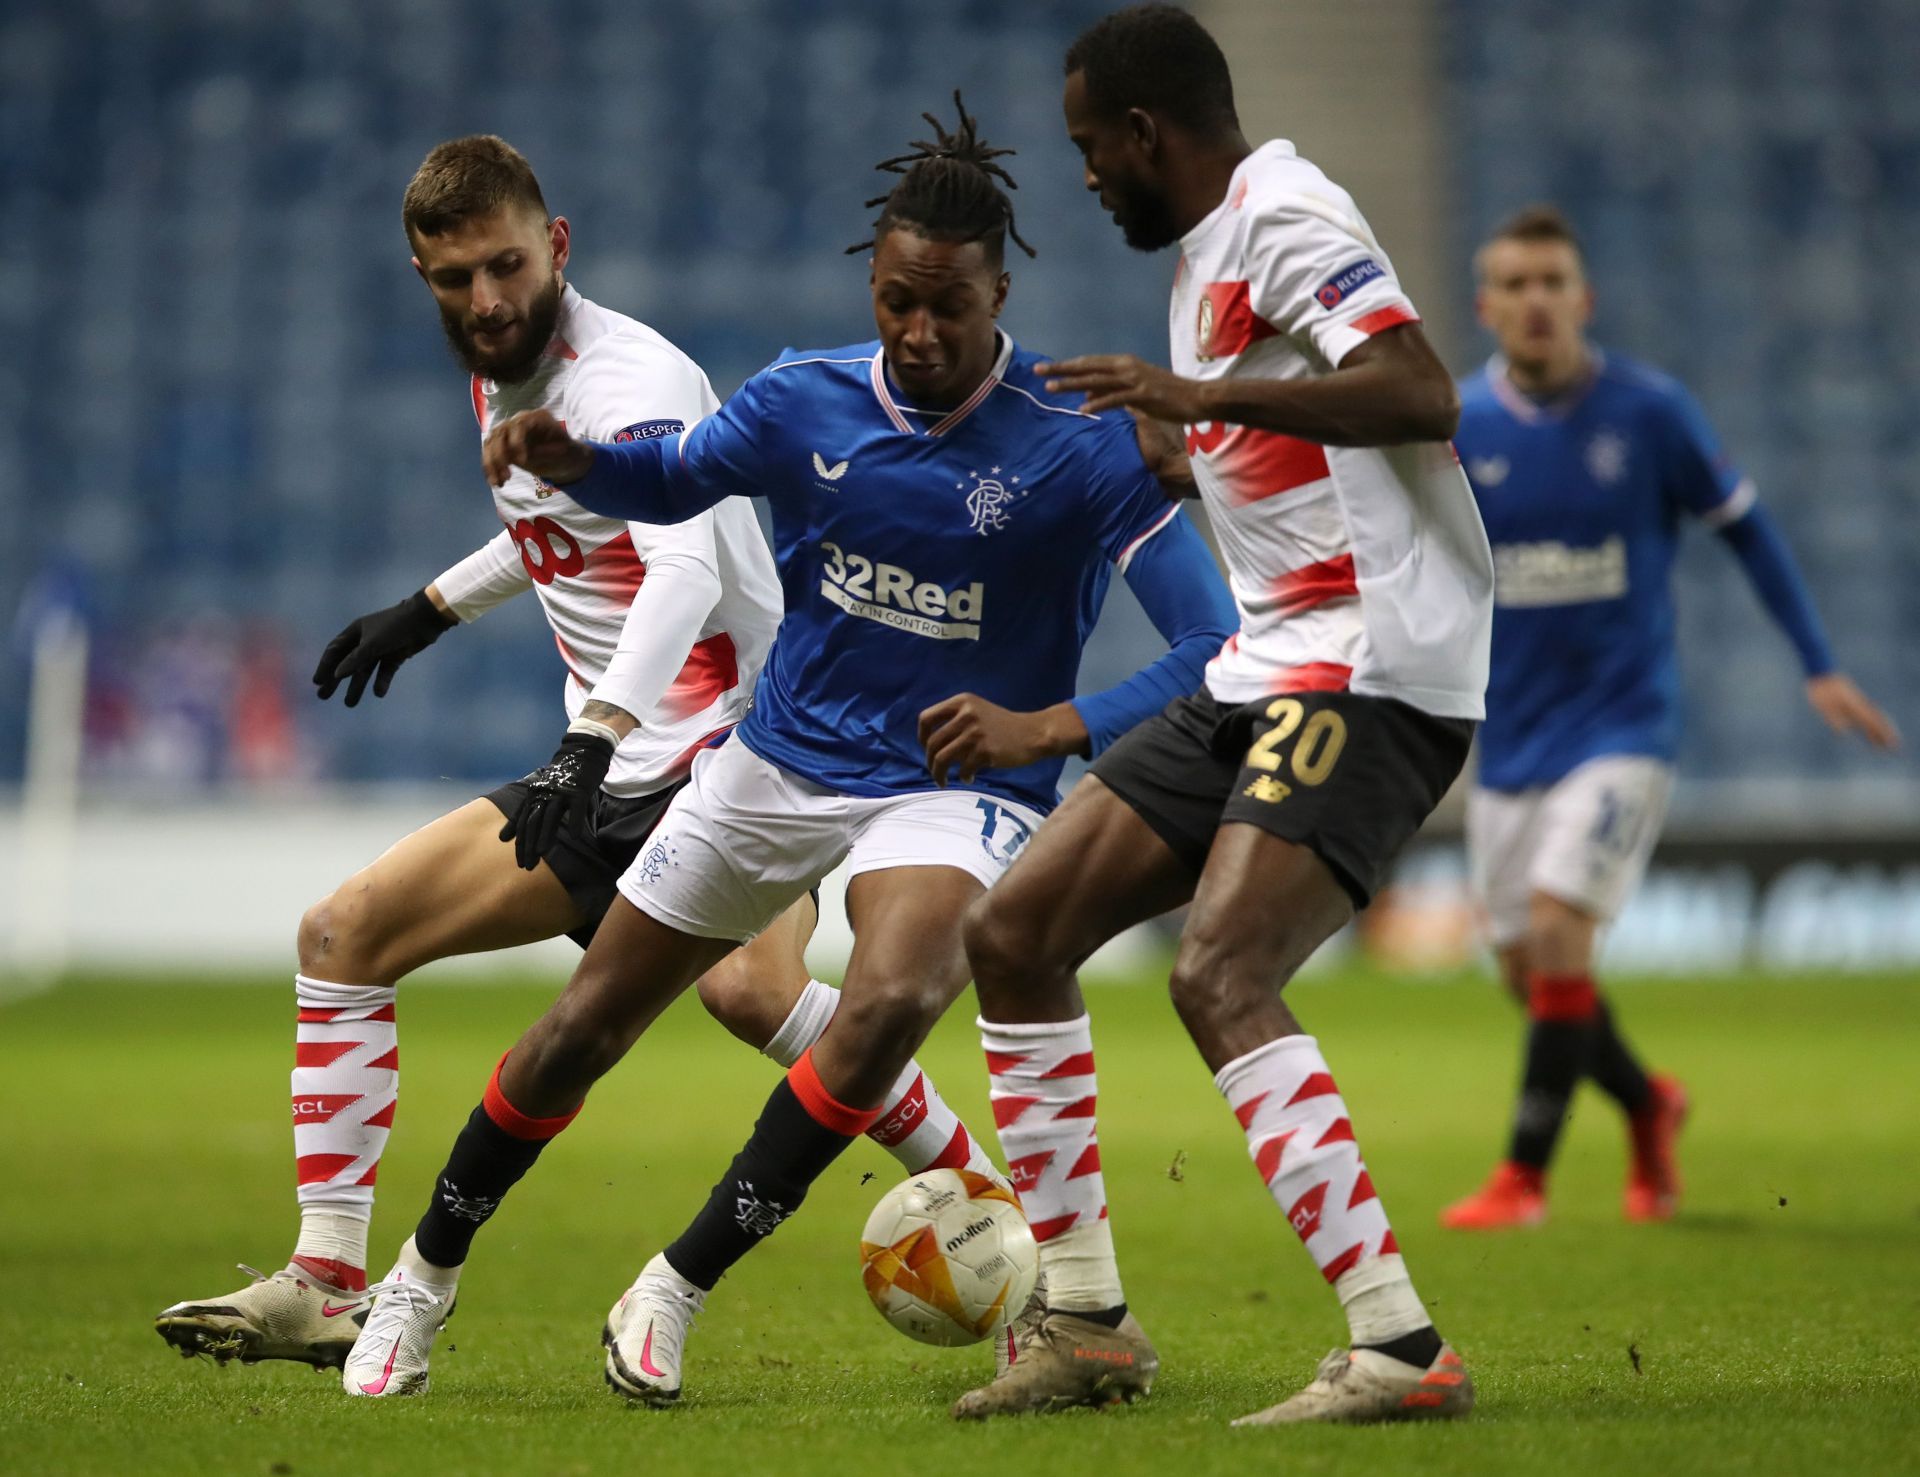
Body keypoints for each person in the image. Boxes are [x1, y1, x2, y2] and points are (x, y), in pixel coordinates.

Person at [334, 98, 1237, 1405]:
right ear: (872, 286)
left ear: (1000, 289)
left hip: (957, 786)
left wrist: (1056, 725)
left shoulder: (1078, 439)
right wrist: (576, 457)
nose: (919, 334)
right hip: (778, 759)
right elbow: (674, 481)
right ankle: (419, 1281)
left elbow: (1208, 643)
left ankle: (675, 1283)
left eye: (951, 307)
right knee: (586, 1023)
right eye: (895, 303)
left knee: (886, 1000)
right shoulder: (802, 397)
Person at [154, 135, 993, 1370]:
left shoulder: (629, 380)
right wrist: (432, 606)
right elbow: (556, 526)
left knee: (751, 991)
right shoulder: (503, 370)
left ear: (556, 245)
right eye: (453, 280)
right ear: (424, 273)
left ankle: (986, 1195)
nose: (484, 301)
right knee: (342, 938)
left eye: (504, 267)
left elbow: (685, 562)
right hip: (598, 782)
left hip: (725, 754)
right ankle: (329, 1279)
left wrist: (589, 739)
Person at [950, 5, 1493, 1425]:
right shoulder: (1203, 260)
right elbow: (1283, 446)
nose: (1083, 176)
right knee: (1012, 931)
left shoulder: (1288, 212)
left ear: (1144, 133)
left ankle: (1401, 1347)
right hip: (1270, 659)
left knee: (1218, 973)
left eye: (1088, 148)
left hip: (1371, 665)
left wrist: (1196, 397)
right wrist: (1177, 451)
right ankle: (1084, 1322)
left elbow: (1417, 387)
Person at [1439, 205, 1900, 1231]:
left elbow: (1748, 529)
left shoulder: (1650, 413)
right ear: (1487, 306)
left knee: (1561, 928)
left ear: (1583, 298)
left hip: (1623, 727)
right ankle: (1650, 1105)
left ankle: (1524, 1177)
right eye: (1514, 284)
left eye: (1552, 281)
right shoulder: (1462, 427)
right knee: (1525, 969)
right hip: (1511, 737)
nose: (1535, 300)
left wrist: (1818, 663)